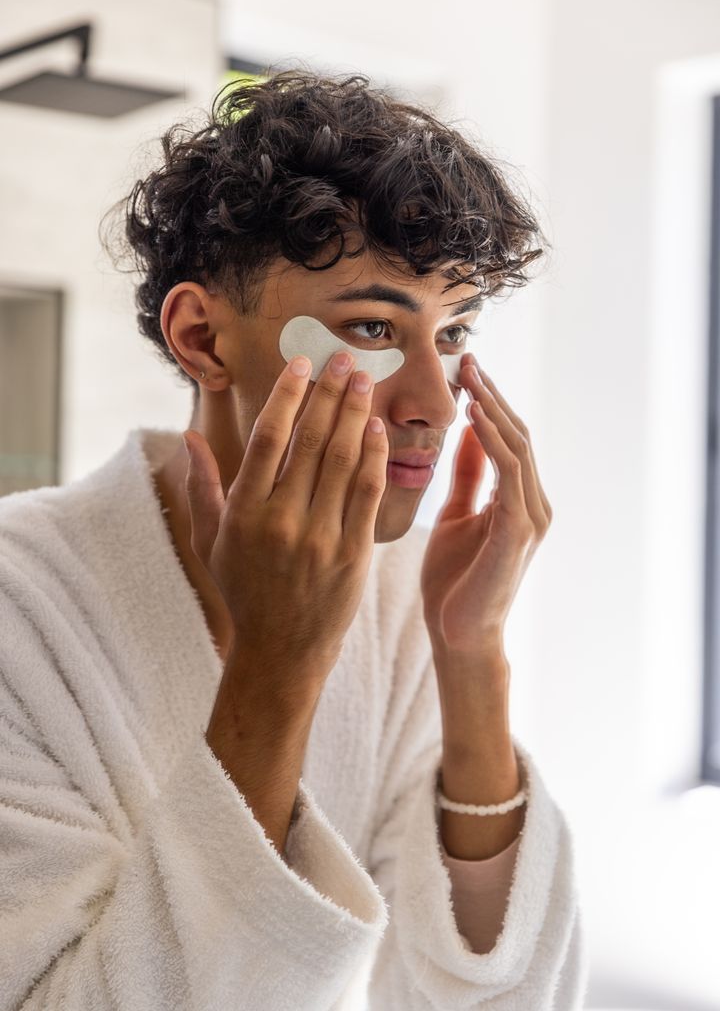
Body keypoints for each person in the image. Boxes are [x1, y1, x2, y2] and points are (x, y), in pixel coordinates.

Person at [0, 70, 588, 1009]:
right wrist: (276, 663)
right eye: (371, 326)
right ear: (203, 337)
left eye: (454, 335)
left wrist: (471, 660)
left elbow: (502, 1001)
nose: (436, 407)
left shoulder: (399, 599)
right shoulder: (19, 604)